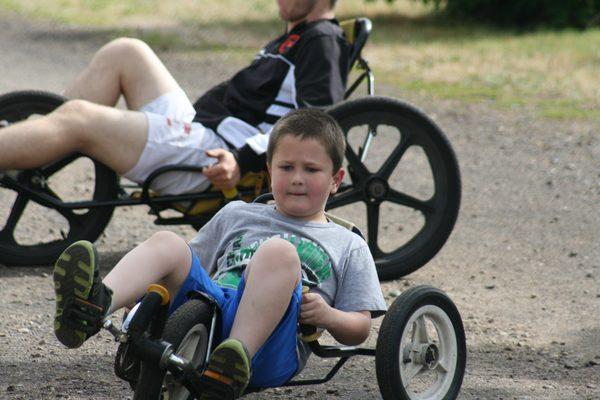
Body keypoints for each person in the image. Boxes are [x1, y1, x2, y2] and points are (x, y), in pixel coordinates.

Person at [52, 109, 386, 399]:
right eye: (286, 167)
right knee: (169, 242)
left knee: (279, 253)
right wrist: (144, 294)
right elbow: (187, 264)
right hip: (215, 307)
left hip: (275, 338)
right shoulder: (239, 213)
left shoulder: (348, 243)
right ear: (269, 170)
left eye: (311, 170)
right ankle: (92, 307)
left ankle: (234, 361)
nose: (297, 179)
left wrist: (327, 316)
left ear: (336, 180)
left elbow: (358, 328)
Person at [0, 0, 350, 195]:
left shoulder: (321, 42)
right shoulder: (297, 36)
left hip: (218, 152)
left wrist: (242, 161)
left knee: (79, 116)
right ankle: (33, 151)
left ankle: (33, 144)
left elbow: (314, 126)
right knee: (127, 51)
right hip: (205, 129)